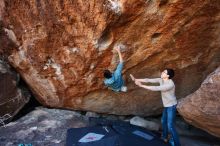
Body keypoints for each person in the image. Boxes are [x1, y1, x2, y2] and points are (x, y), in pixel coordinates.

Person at [130, 69, 181, 146]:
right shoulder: (161, 80)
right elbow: (149, 80)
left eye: (164, 72)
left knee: (170, 126)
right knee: (163, 121)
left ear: (167, 76)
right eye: (163, 71)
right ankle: (164, 137)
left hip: (171, 106)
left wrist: (141, 85)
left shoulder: (170, 84)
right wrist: (136, 79)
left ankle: (177, 144)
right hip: (166, 105)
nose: (162, 73)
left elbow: (156, 88)